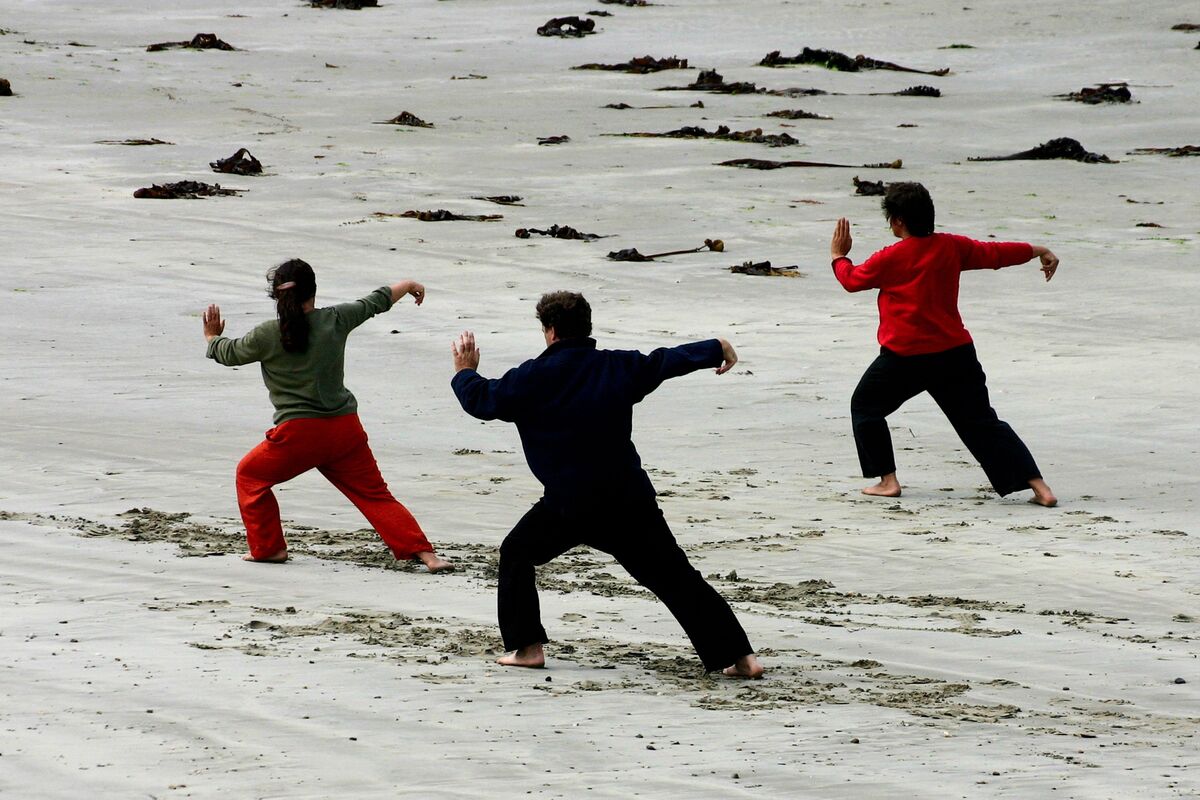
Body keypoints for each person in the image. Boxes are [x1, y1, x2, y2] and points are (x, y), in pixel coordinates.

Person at [449, 291, 763, 678]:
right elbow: (665, 361)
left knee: (516, 553)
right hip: (627, 501)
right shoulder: (617, 367)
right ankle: (742, 658)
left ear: (549, 331)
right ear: (587, 327)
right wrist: (716, 347)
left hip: (569, 505)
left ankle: (528, 648)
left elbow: (481, 400)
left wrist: (465, 370)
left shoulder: (530, 378)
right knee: (677, 579)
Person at [202, 258, 453, 571]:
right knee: (375, 495)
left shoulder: (267, 334)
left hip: (298, 436)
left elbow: (228, 354)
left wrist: (212, 337)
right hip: (344, 430)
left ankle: (268, 549)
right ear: (314, 292)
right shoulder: (336, 319)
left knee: (249, 476)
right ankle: (427, 555)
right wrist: (409, 284)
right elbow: (375, 301)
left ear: (276, 296)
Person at [830, 182, 1058, 506]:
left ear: (897, 221)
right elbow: (995, 254)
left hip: (904, 358)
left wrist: (839, 256)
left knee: (865, 407)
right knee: (982, 423)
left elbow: (852, 281)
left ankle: (887, 481)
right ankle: (1041, 488)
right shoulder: (951, 247)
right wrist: (1038, 249)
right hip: (955, 356)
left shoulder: (890, 258)